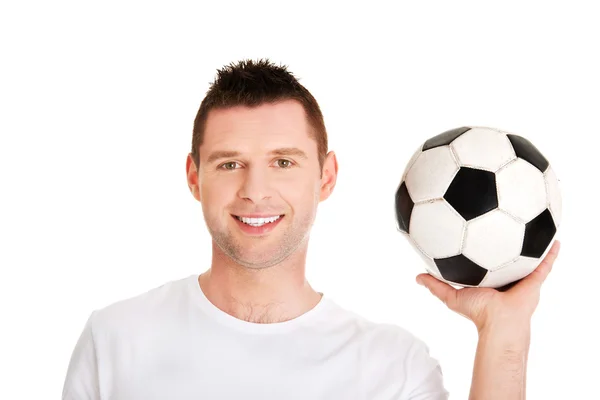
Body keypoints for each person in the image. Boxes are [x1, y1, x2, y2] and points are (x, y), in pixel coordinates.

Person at [62, 58, 560, 400]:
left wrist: (504, 332)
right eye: (230, 164)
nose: (255, 191)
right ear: (195, 177)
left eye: (282, 162)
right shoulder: (116, 340)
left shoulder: (392, 368)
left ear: (326, 177)